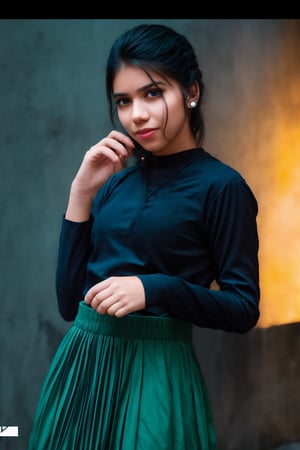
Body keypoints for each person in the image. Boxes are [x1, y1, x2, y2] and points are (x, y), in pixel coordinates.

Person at [29, 23, 260, 450]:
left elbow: (244, 309)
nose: (136, 114)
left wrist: (154, 289)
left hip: (157, 370)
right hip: (83, 366)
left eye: (153, 93)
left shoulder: (222, 188)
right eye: (123, 100)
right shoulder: (114, 184)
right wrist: (80, 194)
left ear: (191, 91)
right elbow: (69, 304)